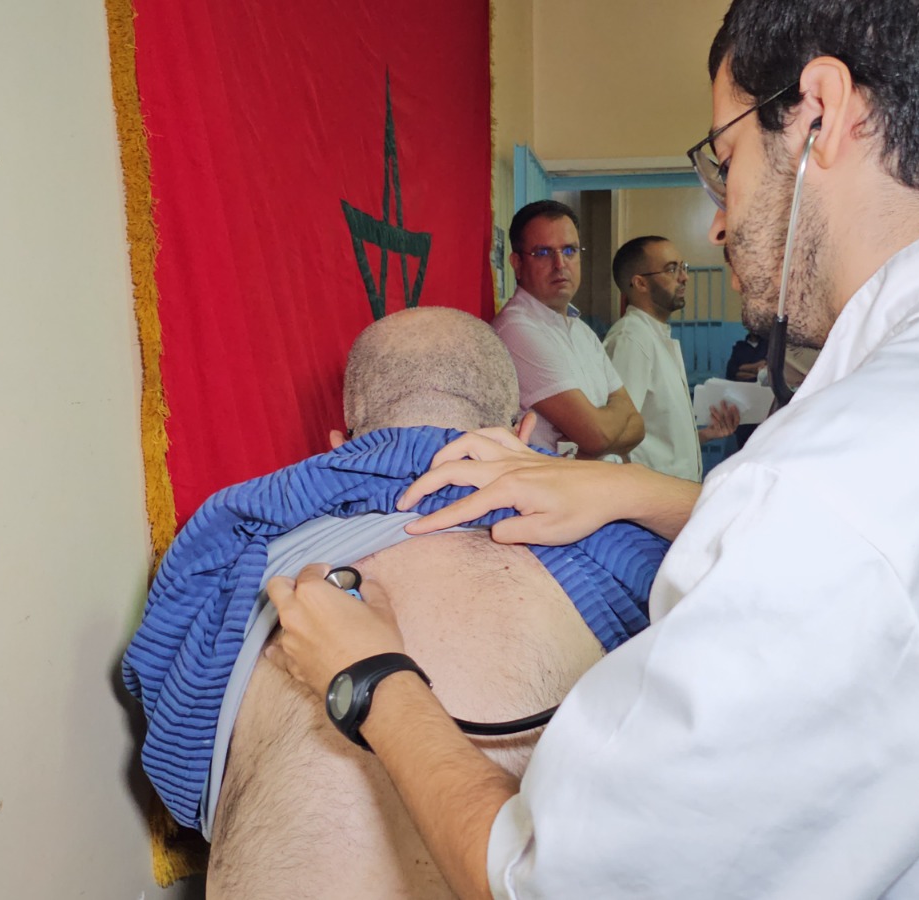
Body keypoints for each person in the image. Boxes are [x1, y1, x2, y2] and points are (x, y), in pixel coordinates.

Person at [262, 1, 919, 897]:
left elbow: (556, 878)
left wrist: (373, 678)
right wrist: (638, 492)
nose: (719, 221)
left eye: (726, 158)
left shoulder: (851, 473)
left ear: (820, 111)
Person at [120, 308, 667, 899]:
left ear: (340, 443)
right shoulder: (629, 547)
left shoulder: (231, 550)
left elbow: (182, 775)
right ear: (525, 432)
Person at [493, 200, 644, 459]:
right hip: (553, 485)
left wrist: (597, 436)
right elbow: (596, 436)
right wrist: (605, 429)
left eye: (570, 250)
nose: (560, 264)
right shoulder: (516, 330)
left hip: (597, 481)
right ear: (517, 263)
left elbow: (638, 427)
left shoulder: (581, 331)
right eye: (543, 252)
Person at [603, 235, 739, 480]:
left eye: (682, 267)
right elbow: (616, 437)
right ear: (640, 283)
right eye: (671, 269)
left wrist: (704, 435)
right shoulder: (631, 339)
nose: (684, 277)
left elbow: (655, 438)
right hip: (650, 496)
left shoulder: (655, 335)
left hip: (670, 491)